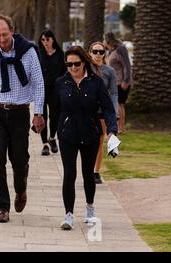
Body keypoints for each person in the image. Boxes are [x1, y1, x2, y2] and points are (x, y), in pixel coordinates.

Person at [0, 14, 45, 223]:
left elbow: (38, 83)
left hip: (20, 111)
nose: (2, 39)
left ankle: (20, 190)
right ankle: (2, 207)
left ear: (12, 30)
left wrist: (38, 113)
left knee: (20, 160)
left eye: (5, 34)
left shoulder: (28, 51)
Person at [55, 46, 117, 230]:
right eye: (69, 64)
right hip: (67, 134)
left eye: (76, 63)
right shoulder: (61, 83)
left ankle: (90, 207)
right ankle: (68, 215)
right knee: (69, 174)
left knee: (88, 174)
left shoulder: (96, 83)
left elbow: (107, 108)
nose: (73, 67)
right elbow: (53, 107)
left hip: (91, 133)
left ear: (84, 62)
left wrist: (112, 130)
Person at [89, 42, 118, 184]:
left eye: (101, 52)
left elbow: (113, 94)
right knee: (87, 142)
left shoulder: (109, 71)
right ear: (90, 53)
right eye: (95, 51)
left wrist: (114, 113)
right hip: (87, 112)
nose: (98, 54)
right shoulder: (85, 69)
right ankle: (87, 170)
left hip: (102, 112)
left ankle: (96, 171)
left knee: (100, 142)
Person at [37, 30, 66, 156]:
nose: (45, 42)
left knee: (55, 116)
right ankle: (45, 144)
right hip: (42, 90)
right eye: (42, 40)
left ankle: (52, 137)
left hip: (56, 90)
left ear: (53, 39)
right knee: (42, 116)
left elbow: (65, 72)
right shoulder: (39, 54)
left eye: (47, 39)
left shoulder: (60, 54)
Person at [104, 32, 132, 134]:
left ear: (108, 41)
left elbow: (127, 65)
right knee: (117, 104)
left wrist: (126, 80)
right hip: (114, 82)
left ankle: (121, 128)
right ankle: (119, 127)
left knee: (119, 104)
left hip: (121, 82)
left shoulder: (120, 49)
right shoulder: (111, 51)